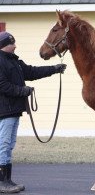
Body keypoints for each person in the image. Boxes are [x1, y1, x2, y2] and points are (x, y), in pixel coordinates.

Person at [0, 31, 66, 193]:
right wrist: (23, 91)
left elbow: (31, 72)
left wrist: (54, 69)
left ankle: (7, 180)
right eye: (11, 43)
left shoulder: (12, 60)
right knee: (4, 145)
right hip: (5, 110)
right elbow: (3, 86)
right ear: (3, 46)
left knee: (9, 145)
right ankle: (2, 182)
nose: (15, 45)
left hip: (13, 110)